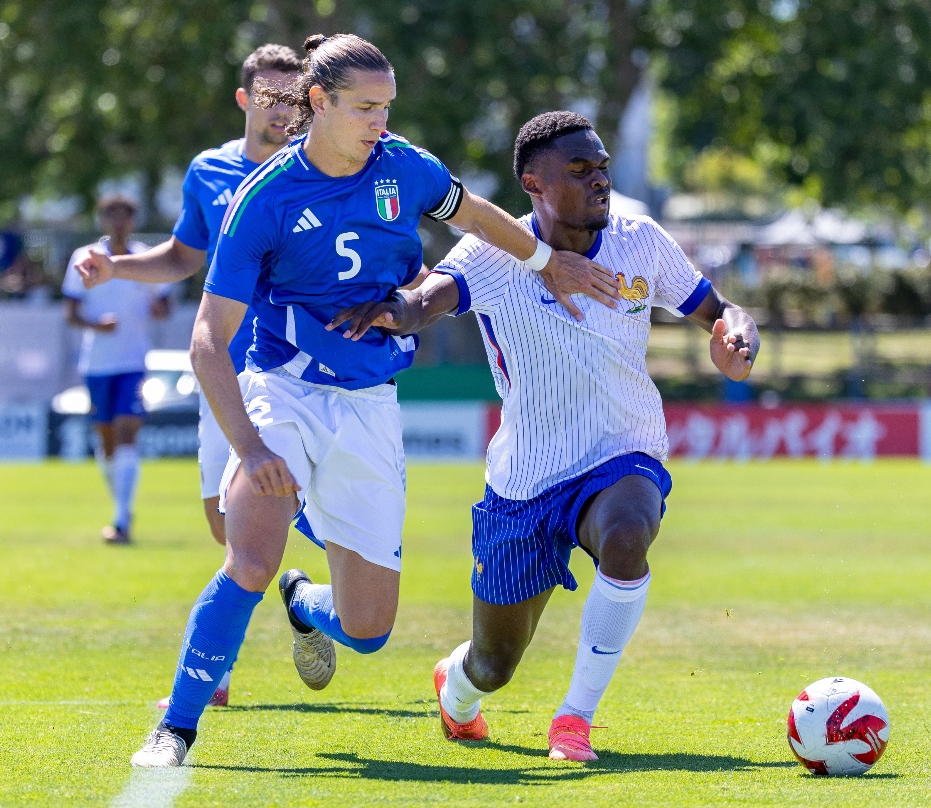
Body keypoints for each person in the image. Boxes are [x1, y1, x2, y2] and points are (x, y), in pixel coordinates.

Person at [129, 35, 619, 768]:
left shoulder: (404, 165)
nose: (378, 123)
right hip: (281, 394)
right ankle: (176, 728)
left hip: (369, 406)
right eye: (363, 108)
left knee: (366, 629)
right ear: (318, 103)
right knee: (250, 557)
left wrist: (549, 264)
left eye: (386, 107)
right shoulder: (264, 198)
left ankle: (305, 601)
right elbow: (208, 340)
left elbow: (477, 216)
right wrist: (253, 448)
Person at [329, 111, 760, 761]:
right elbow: (429, 299)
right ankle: (460, 689)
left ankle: (574, 719)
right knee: (495, 663)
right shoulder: (495, 251)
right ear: (534, 183)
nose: (600, 181)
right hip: (525, 478)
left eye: (603, 167)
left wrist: (735, 333)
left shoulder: (640, 241)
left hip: (624, 449)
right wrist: (394, 312)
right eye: (579, 171)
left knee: (626, 535)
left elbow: (715, 308)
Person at [76, 43, 302, 710]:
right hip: (225, 373)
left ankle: (225, 658)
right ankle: (296, 592)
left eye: (295, 98)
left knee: (269, 518)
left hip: (297, 374)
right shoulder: (209, 172)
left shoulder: (320, 171)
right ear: (245, 98)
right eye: (271, 95)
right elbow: (182, 256)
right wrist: (117, 267)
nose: (283, 109)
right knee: (220, 522)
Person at [62, 193, 172, 544]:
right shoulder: (84, 258)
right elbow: (71, 313)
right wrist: (97, 326)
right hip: (96, 364)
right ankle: (121, 507)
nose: (119, 222)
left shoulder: (145, 258)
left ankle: (122, 520)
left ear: (133, 221)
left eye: (125, 216)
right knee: (107, 441)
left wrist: (159, 310)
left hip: (133, 363)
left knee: (127, 434)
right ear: (103, 221)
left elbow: (165, 303)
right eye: (112, 216)